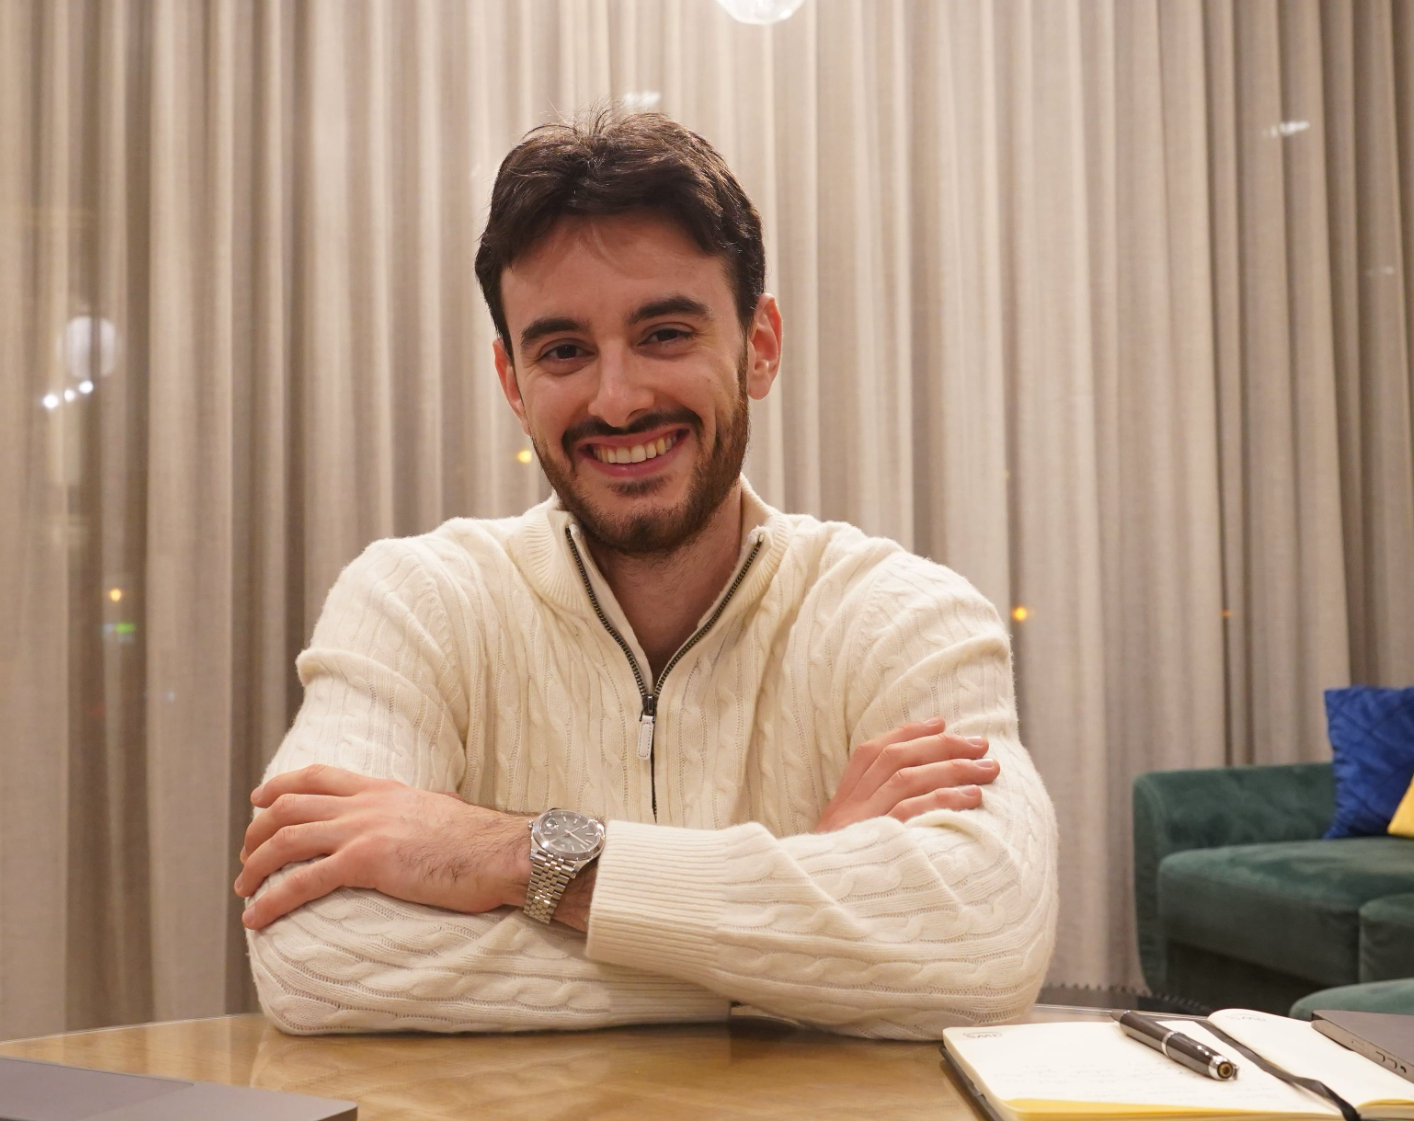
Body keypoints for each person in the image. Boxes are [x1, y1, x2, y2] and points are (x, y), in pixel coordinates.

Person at [237, 109, 1057, 1037]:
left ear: (759, 345)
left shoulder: (906, 617)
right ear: (512, 382)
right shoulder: (413, 602)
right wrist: (803, 935)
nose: (619, 400)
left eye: (665, 333)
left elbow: (984, 944)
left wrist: (514, 855)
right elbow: (316, 956)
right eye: (563, 351)